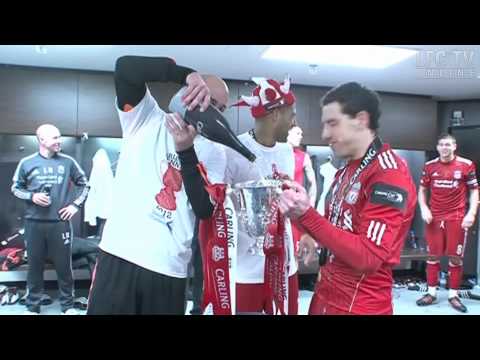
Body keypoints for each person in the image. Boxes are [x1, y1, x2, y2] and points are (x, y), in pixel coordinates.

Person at [87, 56, 228, 315]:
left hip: (168, 268)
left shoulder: (216, 152)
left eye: (220, 108)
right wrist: (187, 73)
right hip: (119, 255)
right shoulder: (144, 117)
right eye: (208, 99)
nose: (212, 111)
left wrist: (186, 152)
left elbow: (204, 209)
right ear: (188, 93)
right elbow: (125, 68)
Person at [278, 82, 417, 315]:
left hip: (360, 305)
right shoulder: (347, 169)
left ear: (361, 120)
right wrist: (308, 231)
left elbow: (368, 257)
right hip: (325, 294)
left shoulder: (388, 173)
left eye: (333, 123)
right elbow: (337, 225)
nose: (325, 134)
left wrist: (307, 215)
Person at [168, 77, 299, 314]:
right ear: (276, 114)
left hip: (283, 266)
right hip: (244, 270)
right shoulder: (229, 150)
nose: (294, 122)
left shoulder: (287, 151)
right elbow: (211, 208)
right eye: (291, 114)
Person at [11, 124, 89, 315]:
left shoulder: (68, 161)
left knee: (64, 267)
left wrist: (74, 206)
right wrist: (32, 197)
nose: (59, 141)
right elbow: (15, 188)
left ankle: (68, 306)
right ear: (42, 140)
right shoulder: (27, 162)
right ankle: (32, 306)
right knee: (34, 266)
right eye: (54, 138)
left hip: (59, 224)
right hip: (33, 224)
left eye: (59, 137)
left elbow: (85, 184)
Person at [416, 133, 478, 313]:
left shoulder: (466, 165)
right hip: (434, 218)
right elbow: (422, 190)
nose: (445, 147)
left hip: (457, 217)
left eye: (448, 144)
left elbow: (475, 191)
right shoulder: (429, 166)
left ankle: (453, 295)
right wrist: (424, 209)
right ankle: (431, 293)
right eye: (442, 144)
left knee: (455, 257)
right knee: (432, 256)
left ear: (454, 146)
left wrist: (471, 213)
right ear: (437, 147)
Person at [286, 125, 317, 255]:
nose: (301, 136)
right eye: (298, 133)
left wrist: (310, 205)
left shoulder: (303, 157)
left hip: (294, 209)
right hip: (277, 208)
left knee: (294, 251)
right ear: (288, 133)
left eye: (302, 133)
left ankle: (294, 274)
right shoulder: (278, 152)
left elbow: (313, 183)